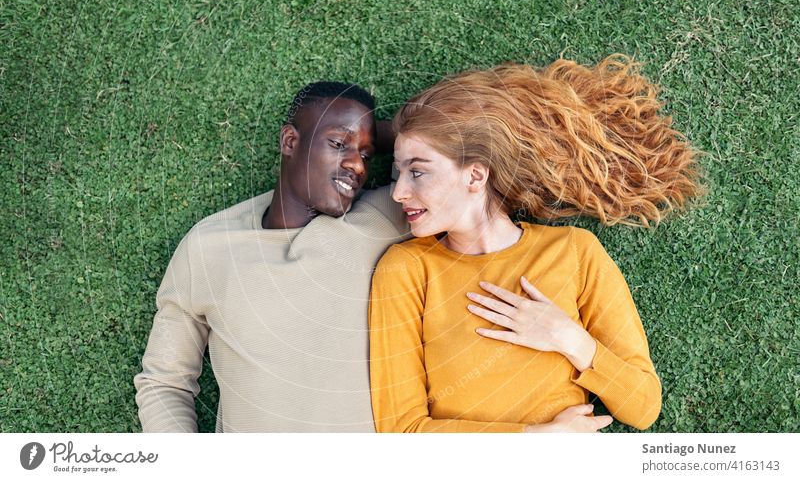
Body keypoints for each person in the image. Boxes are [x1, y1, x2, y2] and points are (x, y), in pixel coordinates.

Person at [369, 55, 706, 432]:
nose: (398, 192)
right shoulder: (406, 269)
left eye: (417, 172)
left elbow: (642, 406)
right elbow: (401, 432)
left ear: (475, 175)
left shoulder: (575, 252)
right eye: (399, 174)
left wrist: (567, 337)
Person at [134, 81, 408, 432]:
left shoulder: (385, 216)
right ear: (290, 142)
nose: (357, 165)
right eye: (338, 143)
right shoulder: (210, 246)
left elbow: (441, 133)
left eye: (367, 156)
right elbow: (164, 382)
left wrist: (372, 135)